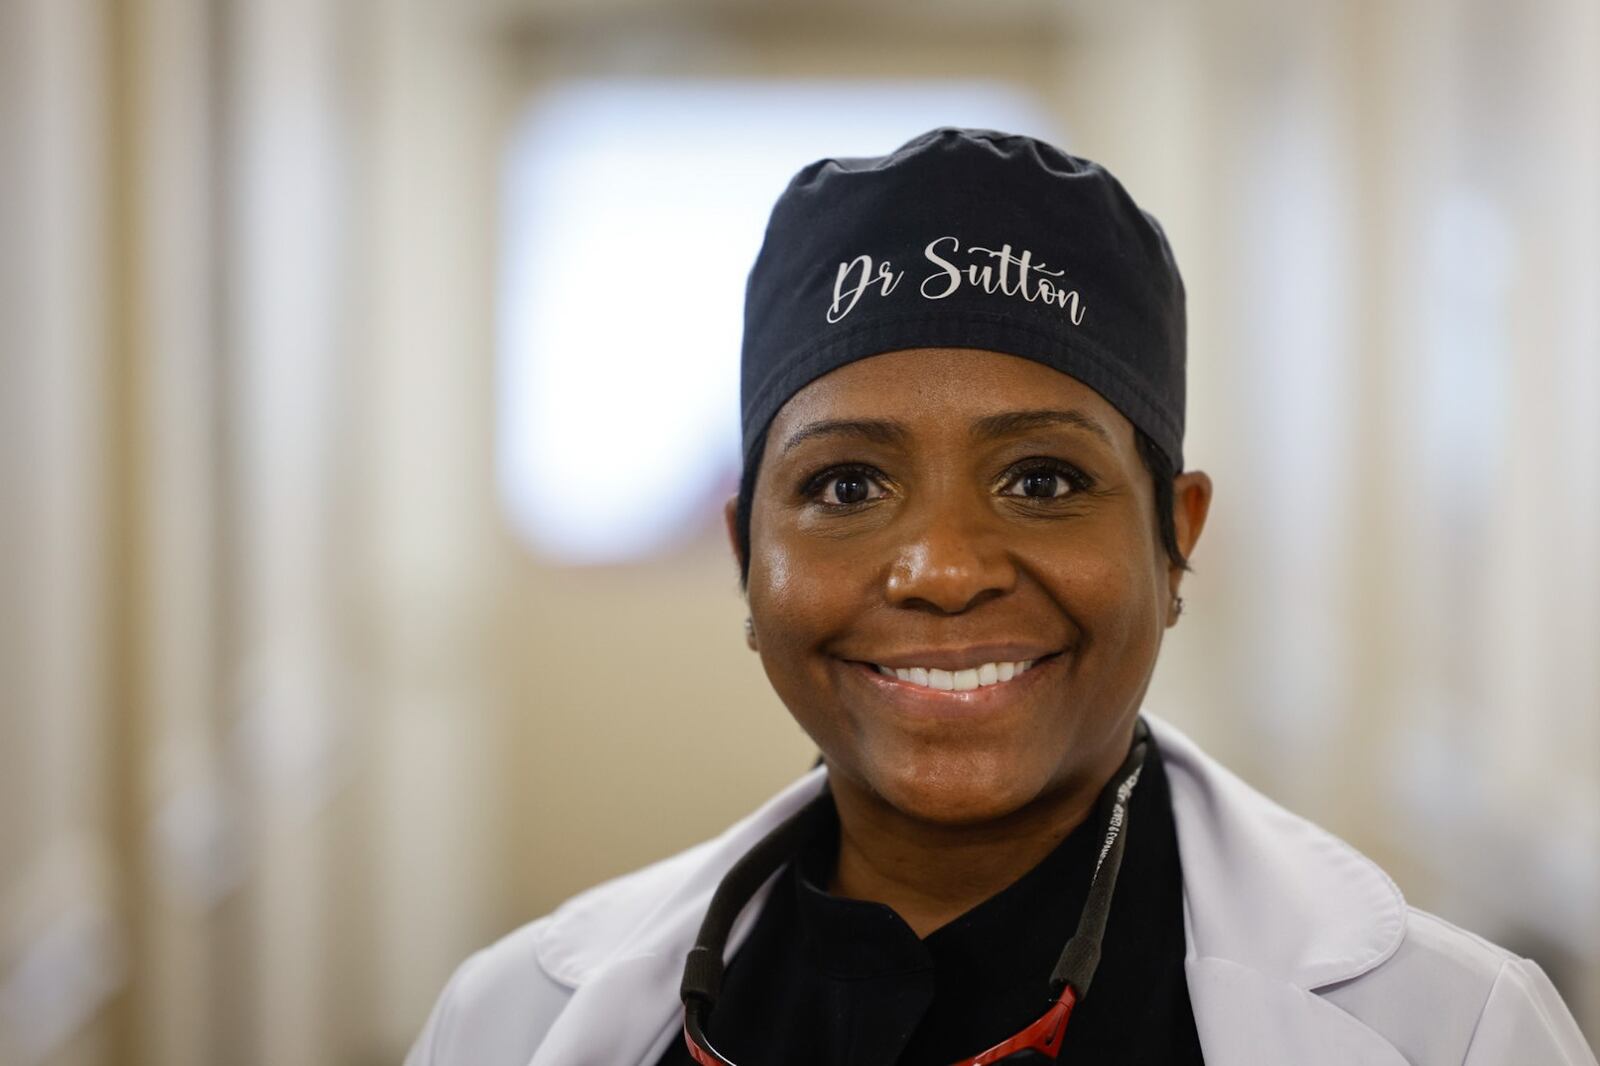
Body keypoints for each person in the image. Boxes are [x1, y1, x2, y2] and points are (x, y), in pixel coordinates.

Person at [404, 128, 1597, 1065]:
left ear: (1173, 541)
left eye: (1041, 478)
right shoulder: (508, 1023)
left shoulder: (1454, 1033)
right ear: (743, 555)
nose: (943, 569)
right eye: (846, 483)